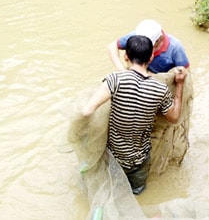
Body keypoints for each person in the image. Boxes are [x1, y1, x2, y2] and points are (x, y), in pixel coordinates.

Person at [81, 35, 186, 194]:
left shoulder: (115, 80)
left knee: (112, 191)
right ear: (150, 57)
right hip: (139, 161)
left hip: (115, 157)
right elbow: (174, 117)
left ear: (125, 56)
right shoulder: (160, 90)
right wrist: (179, 85)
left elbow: (87, 111)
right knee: (137, 192)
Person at [108, 19, 190, 74]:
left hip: (159, 80)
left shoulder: (175, 48)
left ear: (159, 39)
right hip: (137, 72)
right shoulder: (137, 36)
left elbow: (186, 72)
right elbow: (112, 46)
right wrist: (121, 69)